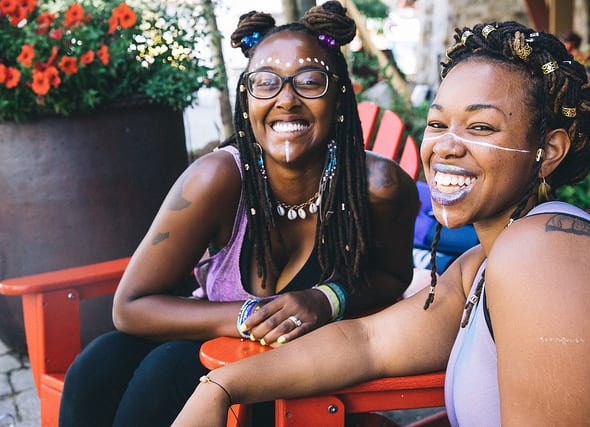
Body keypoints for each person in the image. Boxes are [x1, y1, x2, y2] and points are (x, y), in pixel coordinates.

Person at [174, 21, 590, 427]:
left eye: (480, 128)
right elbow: (367, 342)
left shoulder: (542, 255)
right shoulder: (480, 266)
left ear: (549, 152)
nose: (446, 147)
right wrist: (220, 387)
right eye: (438, 125)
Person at [58, 2, 419, 426]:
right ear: (245, 101)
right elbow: (130, 307)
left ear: (339, 95)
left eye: (309, 82)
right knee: (97, 364)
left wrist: (329, 299)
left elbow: (394, 277)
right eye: (265, 83)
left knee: (171, 369)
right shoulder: (217, 180)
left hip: (305, 379)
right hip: (215, 340)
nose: (287, 100)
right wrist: (249, 316)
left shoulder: (379, 188)